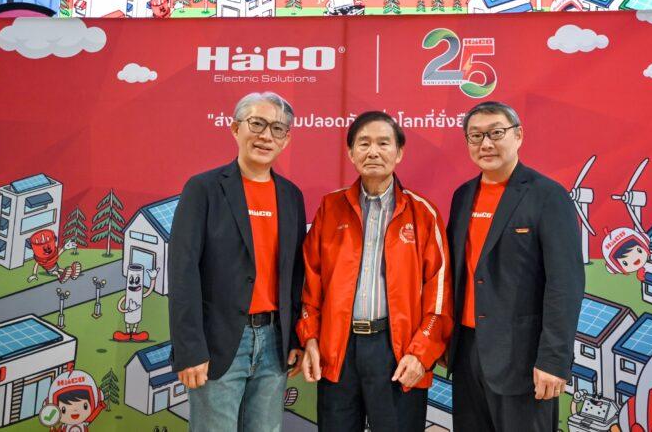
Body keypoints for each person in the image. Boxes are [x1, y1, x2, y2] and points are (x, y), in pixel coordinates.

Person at [297, 111, 453, 432]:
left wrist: (421, 353)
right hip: (338, 350)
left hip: (398, 352)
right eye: (364, 143)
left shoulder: (423, 213)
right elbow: (310, 282)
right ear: (351, 152)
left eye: (384, 143)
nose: (373, 151)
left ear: (399, 152)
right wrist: (310, 337)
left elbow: (439, 295)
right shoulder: (330, 208)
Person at [168, 92, 307, 432]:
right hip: (218, 343)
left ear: (286, 140)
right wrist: (190, 349)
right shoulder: (203, 189)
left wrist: (295, 338)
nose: (266, 136)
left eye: (277, 129)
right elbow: (183, 273)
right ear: (235, 128)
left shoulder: (292, 196)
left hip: (274, 345)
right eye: (257, 124)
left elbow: (295, 276)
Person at [445, 101, 585, 431]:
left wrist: (553, 360)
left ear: (518, 135)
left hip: (524, 359)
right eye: (476, 136)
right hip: (467, 353)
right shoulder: (463, 196)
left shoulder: (547, 196)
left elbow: (565, 284)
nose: (486, 144)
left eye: (496, 133)